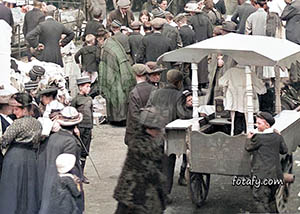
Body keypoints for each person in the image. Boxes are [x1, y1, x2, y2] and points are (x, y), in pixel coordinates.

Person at [147, 69, 193, 202]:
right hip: (168, 135)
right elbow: (182, 115)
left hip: (154, 132)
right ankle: (164, 195)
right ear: (179, 82)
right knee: (168, 165)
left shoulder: (155, 93)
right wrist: (192, 111)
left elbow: (147, 109)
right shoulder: (178, 95)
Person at [114, 107, 167, 214]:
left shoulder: (137, 138)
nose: (158, 132)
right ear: (148, 128)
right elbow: (152, 172)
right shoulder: (145, 146)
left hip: (129, 190)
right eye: (156, 129)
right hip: (138, 193)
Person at [0, 93, 42, 214]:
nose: (15, 112)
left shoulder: (17, 124)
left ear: (25, 109)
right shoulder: (37, 123)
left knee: (12, 186)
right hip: (30, 156)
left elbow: (5, 140)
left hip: (15, 156)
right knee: (28, 187)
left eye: (17, 109)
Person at [39, 106, 84, 214]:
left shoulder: (52, 137)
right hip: (64, 184)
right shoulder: (70, 142)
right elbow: (71, 167)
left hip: (49, 178)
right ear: (76, 125)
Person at [245, 111, 288, 213]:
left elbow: (248, 148)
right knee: (271, 200)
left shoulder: (258, 138)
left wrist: (248, 138)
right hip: (276, 176)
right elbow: (284, 150)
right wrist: (280, 136)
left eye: (259, 123)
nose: (257, 125)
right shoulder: (277, 136)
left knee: (260, 201)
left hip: (262, 176)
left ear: (267, 125)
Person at [98, 34, 136, 125]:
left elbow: (105, 69)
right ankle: (121, 117)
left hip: (115, 78)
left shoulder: (107, 48)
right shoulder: (114, 46)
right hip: (119, 76)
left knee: (116, 97)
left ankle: (117, 118)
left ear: (100, 39)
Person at [125, 64, 155, 145]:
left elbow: (134, 115)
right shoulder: (154, 89)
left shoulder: (134, 92)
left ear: (135, 75)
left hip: (137, 134)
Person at [71, 77, 93, 184]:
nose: (89, 88)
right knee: (78, 150)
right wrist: (75, 128)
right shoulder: (76, 100)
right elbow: (72, 114)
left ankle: (82, 173)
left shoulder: (89, 99)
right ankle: (77, 173)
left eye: (89, 86)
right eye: (87, 86)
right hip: (80, 127)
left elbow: (91, 113)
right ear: (80, 87)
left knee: (85, 151)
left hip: (88, 127)